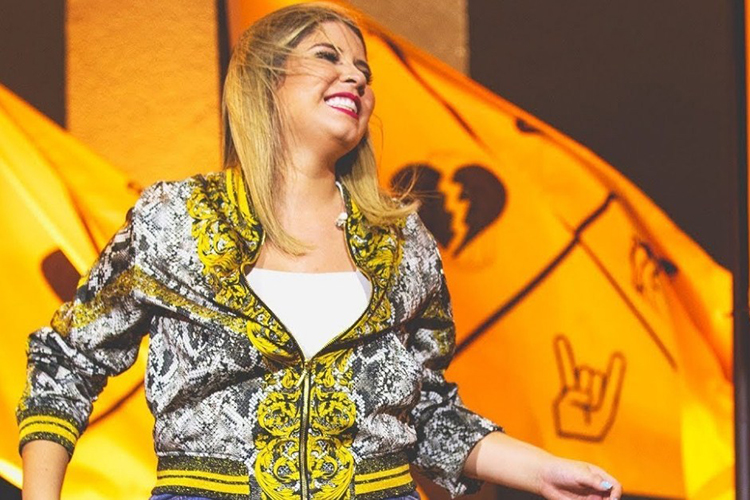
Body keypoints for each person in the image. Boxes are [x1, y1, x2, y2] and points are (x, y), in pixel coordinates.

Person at [18, 3, 622, 500]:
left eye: (363, 70)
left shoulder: (402, 244)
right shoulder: (175, 219)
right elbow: (65, 364)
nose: (354, 77)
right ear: (266, 80)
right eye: (327, 57)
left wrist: (544, 472)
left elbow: (429, 415)